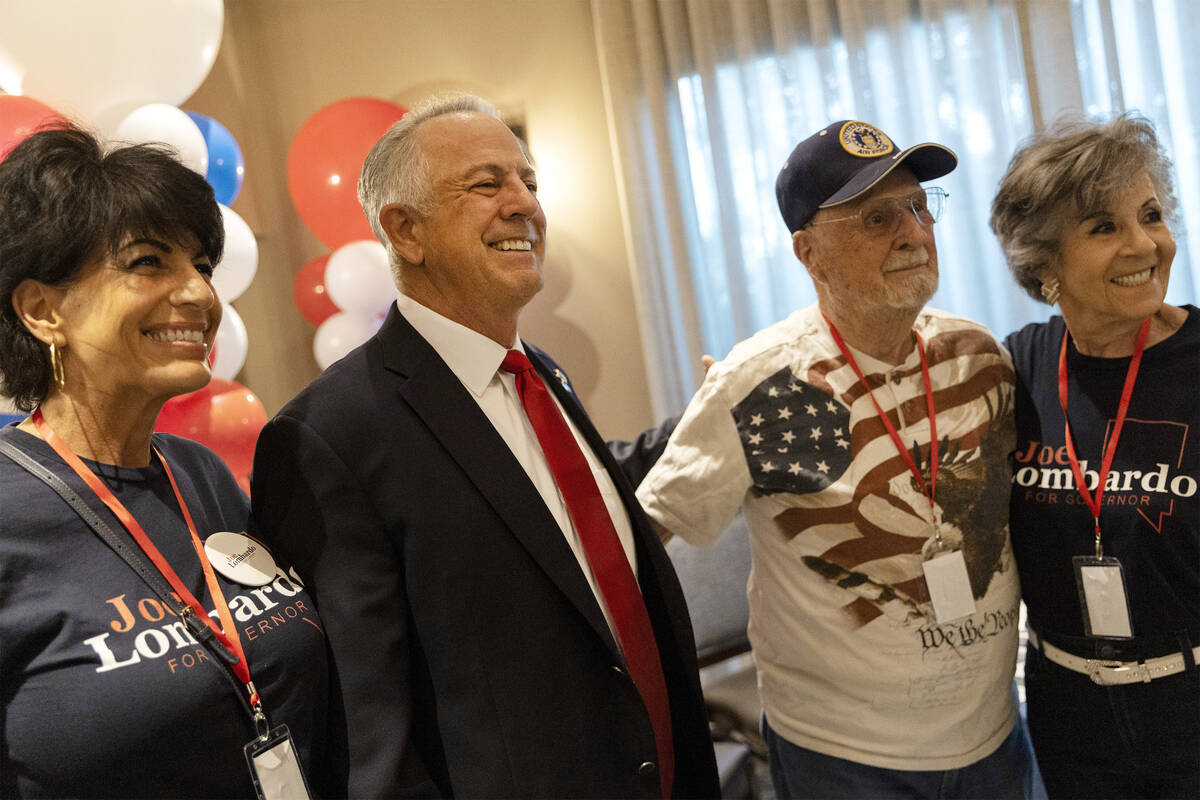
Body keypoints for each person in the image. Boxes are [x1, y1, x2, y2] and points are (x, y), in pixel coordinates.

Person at [249, 93, 720, 799]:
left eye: (529, 181)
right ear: (405, 231)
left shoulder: (542, 375)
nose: (524, 203)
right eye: (486, 184)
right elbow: (368, 734)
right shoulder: (327, 436)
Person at [637, 120, 1034, 799]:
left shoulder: (981, 357)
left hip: (994, 734)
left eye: (918, 206)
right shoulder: (761, 382)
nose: (913, 232)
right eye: (877, 218)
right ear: (809, 252)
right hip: (846, 759)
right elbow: (647, 537)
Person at [0, 127, 328, 797]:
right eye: (149, 262)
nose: (201, 295)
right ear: (42, 310)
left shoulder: (199, 473)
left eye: (202, 265)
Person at [992, 114, 1199, 799]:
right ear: (1044, 264)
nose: (1146, 245)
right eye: (1104, 227)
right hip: (1070, 718)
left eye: (1151, 215)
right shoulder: (1017, 366)